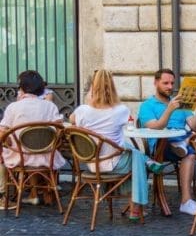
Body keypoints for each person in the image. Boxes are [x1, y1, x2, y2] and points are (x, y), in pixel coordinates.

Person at [70, 70, 166, 220]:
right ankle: (135, 207)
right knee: (136, 158)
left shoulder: (82, 111)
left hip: (92, 163)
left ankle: (146, 163)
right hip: (113, 164)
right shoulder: (121, 111)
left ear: (92, 89)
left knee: (127, 148)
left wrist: (89, 101)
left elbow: (72, 120)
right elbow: (129, 125)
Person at [138, 68, 196, 216]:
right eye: (165, 83)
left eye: (172, 83)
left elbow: (195, 126)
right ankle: (183, 144)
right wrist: (169, 109)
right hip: (161, 145)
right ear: (156, 83)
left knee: (191, 152)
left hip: (181, 141)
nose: (170, 87)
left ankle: (186, 202)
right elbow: (156, 127)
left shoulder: (180, 103)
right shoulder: (147, 105)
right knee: (187, 146)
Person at [0, 70, 65, 208]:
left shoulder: (13, 107)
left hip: (20, 158)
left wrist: (9, 143)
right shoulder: (50, 106)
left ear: (22, 87)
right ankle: (45, 190)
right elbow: (60, 130)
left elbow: (2, 133)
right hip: (47, 158)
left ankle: (4, 195)